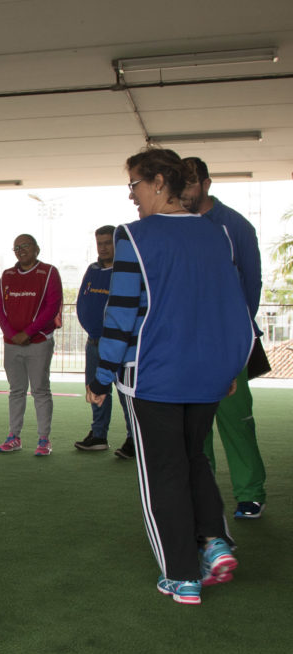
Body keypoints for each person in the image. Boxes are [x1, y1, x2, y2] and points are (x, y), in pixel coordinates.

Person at [88, 148, 251, 605]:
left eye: (135, 185)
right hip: (207, 375)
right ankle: (213, 540)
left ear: (159, 182)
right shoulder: (217, 235)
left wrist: (101, 378)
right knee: (194, 457)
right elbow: (234, 307)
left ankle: (180, 575)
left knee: (164, 470)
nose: (133, 197)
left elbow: (119, 316)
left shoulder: (134, 237)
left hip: (156, 376)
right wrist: (232, 363)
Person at [181, 157, 267, 519]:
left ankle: (250, 493)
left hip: (228, 345)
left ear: (206, 183)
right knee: (194, 429)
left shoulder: (236, 227)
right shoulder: (176, 227)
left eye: (188, 184)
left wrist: (236, 342)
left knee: (236, 422)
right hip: (186, 347)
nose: (183, 192)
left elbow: (252, 285)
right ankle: (204, 494)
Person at [0, 235, 62, 455]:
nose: (21, 250)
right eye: (17, 248)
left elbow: (52, 307)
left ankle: (44, 440)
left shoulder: (49, 272)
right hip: (11, 343)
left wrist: (28, 333)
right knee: (16, 391)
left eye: (25, 246)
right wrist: (12, 334)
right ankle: (14, 437)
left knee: (40, 390)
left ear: (36, 249)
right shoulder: (7, 275)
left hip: (39, 341)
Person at [74, 225, 132, 456]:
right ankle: (98, 435)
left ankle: (133, 439)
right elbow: (82, 300)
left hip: (119, 346)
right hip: (94, 344)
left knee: (125, 394)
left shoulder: (125, 271)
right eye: (100, 243)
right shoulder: (92, 269)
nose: (104, 247)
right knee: (96, 391)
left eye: (108, 242)